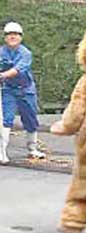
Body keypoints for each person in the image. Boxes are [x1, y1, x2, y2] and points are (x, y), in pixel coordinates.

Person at [0, 21, 46, 163]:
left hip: (26, 91)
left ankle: (32, 149)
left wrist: (2, 75)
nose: (12, 37)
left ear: (21, 37)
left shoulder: (26, 53)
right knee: (6, 120)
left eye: (15, 34)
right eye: (9, 34)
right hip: (9, 90)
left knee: (30, 119)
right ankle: (2, 153)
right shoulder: (1, 52)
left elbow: (18, 69)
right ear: (5, 37)